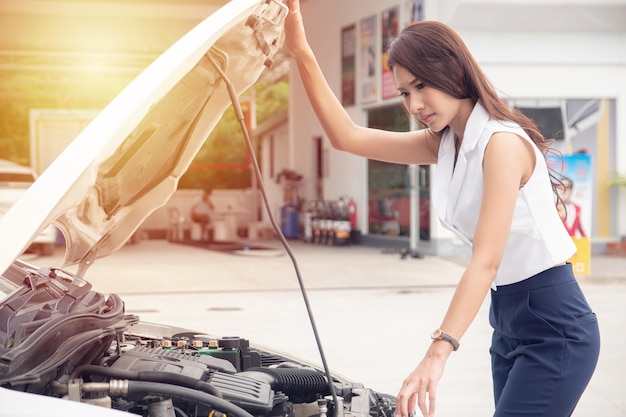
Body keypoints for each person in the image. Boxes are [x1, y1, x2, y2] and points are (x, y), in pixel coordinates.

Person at [283, 2, 600, 417]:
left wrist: (438, 351)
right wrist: (301, 51)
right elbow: (347, 136)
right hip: (506, 318)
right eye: (404, 93)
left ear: (452, 72)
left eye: (421, 86)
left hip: (554, 323)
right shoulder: (447, 141)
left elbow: (486, 262)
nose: (414, 104)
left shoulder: (501, 144)